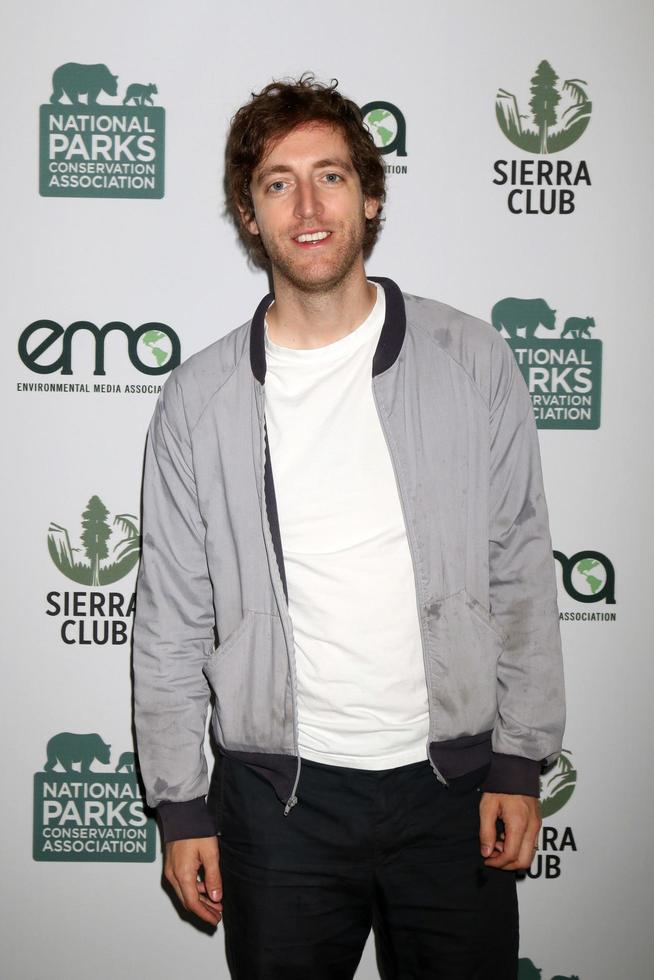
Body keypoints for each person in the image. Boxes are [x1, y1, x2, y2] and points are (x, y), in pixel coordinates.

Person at [133, 74, 565, 979]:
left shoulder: (471, 360)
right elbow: (170, 618)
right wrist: (181, 808)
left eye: (330, 175)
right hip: (275, 803)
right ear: (249, 217)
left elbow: (521, 567)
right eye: (277, 182)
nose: (307, 204)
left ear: (372, 196)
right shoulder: (198, 401)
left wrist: (521, 763)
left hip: (453, 793)